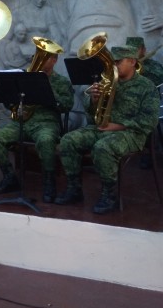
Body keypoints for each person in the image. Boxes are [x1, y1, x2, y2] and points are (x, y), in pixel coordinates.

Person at [56, 45, 159, 214]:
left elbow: (149, 121)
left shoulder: (146, 86)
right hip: (103, 128)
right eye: (112, 62)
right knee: (68, 140)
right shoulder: (109, 81)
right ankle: (74, 189)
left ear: (132, 61)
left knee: (103, 148)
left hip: (131, 133)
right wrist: (94, 100)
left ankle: (109, 195)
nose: (113, 66)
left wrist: (118, 125)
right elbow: (91, 115)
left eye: (118, 62)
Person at [0, 49, 74, 202]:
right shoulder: (25, 78)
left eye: (44, 58)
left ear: (54, 60)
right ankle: (9, 177)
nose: (38, 60)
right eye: (36, 57)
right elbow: (10, 103)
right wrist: (11, 99)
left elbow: (67, 105)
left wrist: (48, 88)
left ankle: (49, 181)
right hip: (21, 122)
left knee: (46, 141)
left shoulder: (62, 82)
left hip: (45, 123)